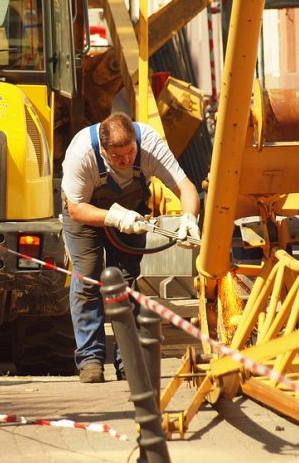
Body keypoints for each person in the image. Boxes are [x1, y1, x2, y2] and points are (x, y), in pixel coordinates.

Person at [61, 112, 201, 383]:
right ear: (103, 150)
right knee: (88, 278)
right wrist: (114, 217)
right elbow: (76, 208)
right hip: (84, 213)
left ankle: (128, 360)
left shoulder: (149, 142)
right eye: (117, 156)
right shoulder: (82, 153)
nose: (125, 161)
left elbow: (186, 188)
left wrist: (189, 218)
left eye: (130, 152)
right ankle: (90, 359)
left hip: (131, 212)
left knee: (124, 282)